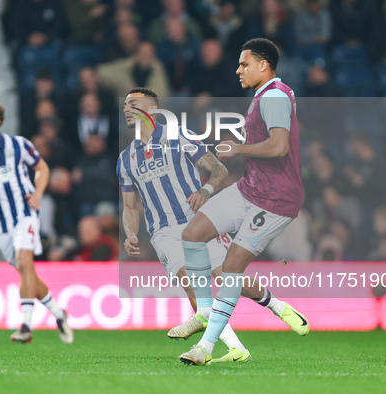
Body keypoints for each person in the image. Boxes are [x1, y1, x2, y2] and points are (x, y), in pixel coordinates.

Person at [118, 87, 308, 363]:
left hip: (198, 221)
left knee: (227, 277)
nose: (126, 108)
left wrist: (206, 190)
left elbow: (220, 169)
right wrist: (131, 233)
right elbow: (130, 206)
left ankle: (277, 306)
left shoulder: (178, 137)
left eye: (133, 103)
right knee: (191, 284)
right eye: (125, 104)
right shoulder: (126, 158)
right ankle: (234, 348)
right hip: (162, 232)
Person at [178, 38, 309, 366]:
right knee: (192, 235)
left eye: (244, 64)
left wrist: (238, 148)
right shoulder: (263, 95)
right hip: (249, 189)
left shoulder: (276, 96)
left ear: (263, 65)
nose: (238, 70)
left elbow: (278, 146)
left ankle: (205, 348)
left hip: (275, 200)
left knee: (231, 268)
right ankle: (244, 308)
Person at [0, 97, 73, 344]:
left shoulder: (19, 145)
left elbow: (42, 169)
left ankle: (26, 326)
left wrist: (39, 193)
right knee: (26, 270)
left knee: (24, 261)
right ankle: (58, 313)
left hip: (25, 213)